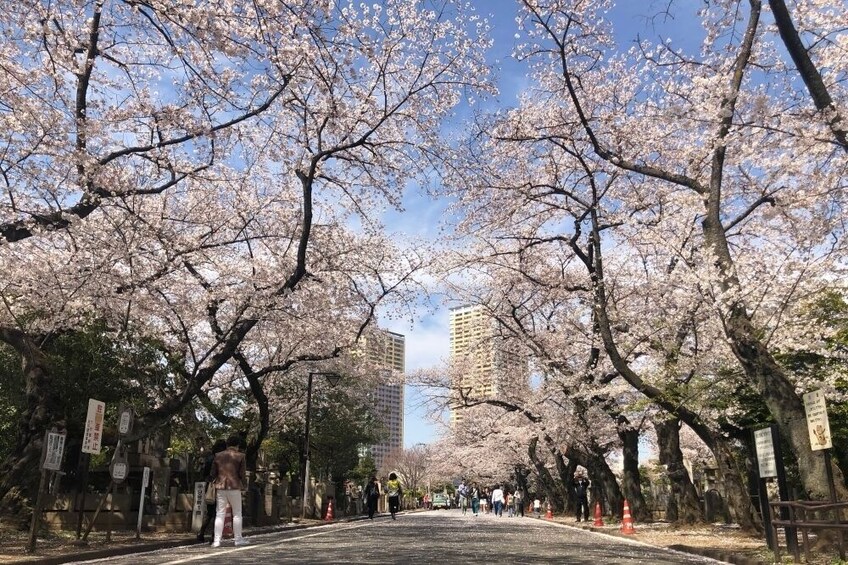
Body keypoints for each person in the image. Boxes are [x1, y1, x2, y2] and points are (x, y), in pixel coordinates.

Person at [210, 435, 248, 548]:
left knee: (219, 514)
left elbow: (212, 473)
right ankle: (238, 539)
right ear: (237, 445)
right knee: (237, 514)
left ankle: (216, 541)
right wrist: (244, 485)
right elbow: (242, 474)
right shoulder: (240, 456)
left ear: (227, 444)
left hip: (220, 487)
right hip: (235, 486)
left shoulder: (218, 456)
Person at [197, 438, 227, 543]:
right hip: (221, 486)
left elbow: (205, 473)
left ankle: (201, 533)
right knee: (218, 512)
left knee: (210, 512)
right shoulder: (224, 459)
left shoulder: (210, 458)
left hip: (210, 486)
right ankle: (214, 536)